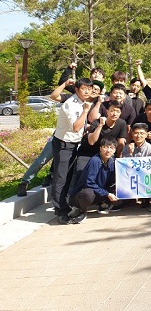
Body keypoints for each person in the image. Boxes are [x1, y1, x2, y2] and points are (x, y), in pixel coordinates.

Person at [52, 78, 94, 224]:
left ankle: (64, 205)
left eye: (89, 88)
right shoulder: (71, 104)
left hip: (73, 143)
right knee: (61, 178)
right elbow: (76, 127)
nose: (87, 91)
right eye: (84, 88)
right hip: (64, 144)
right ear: (76, 90)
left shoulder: (82, 102)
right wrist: (86, 111)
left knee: (68, 177)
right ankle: (60, 211)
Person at [63, 137, 120, 224]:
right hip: (80, 195)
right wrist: (107, 194)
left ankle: (103, 204)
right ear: (100, 148)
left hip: (98, 193)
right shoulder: (95, 161)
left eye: (111, 148)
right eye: (105, 147)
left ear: (115, 150)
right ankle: (81, 211)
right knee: (88, 193)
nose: (108, 150)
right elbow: (89, 183)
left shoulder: (111, 161)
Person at [72, 100, 127, 191]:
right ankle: (76, 194)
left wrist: (118, 159)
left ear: (120, 113)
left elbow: (121, 144)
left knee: (110, 175)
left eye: (117, 111)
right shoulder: (96, 122)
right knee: (82, 173)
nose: (114, 113)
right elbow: (92, 141)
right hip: (88, 153)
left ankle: (104, 196)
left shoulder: (122, 124)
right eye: (112, 110)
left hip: (106, 154)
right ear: (107, 111)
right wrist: (101, 125)